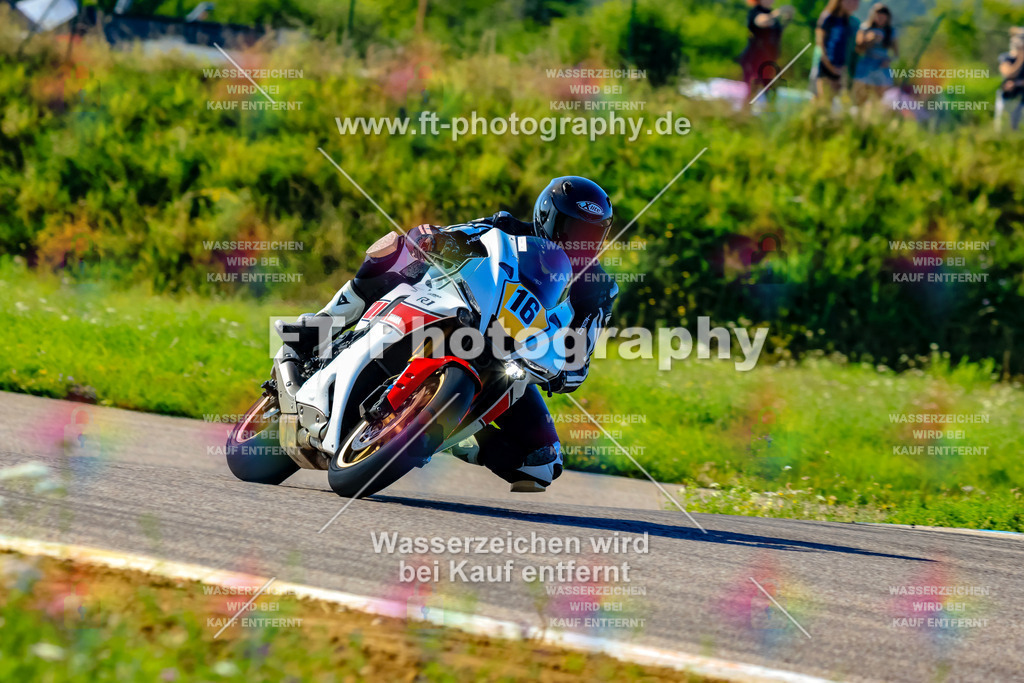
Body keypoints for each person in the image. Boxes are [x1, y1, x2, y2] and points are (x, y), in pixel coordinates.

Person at [290, 177, 618, 492]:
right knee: (397, 252)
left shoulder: (598, 290)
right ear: (547, 215)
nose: (581, 242)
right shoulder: (506, 227)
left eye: (591, 235)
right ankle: (324, 323)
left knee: (541, 463)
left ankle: (442, 431)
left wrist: (563, 373)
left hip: (511, 356)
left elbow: (581, 356)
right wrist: (435, 239)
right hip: (458, 307)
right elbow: (457, 235)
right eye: (574, 230)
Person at [738, 0, 796, 100]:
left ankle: (765, 114)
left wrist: (787, 18)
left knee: (770, 92)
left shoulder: (771, 14)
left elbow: (777, 33)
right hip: (754, 60)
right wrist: (778, 13)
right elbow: (761, 21)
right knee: (751, 91)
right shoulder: (755, 12)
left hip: (769, 60)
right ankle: (744, 113)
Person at [812, 0, 860, 102]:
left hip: (840, 65)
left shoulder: (848, 21)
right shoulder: (828, 17)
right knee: (822, 98)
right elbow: (820, 43)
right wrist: (829, 65)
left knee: (832, 99)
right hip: (825, 64)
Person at [853, 4, 898, 105]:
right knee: (861, 95)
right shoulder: (865, 28)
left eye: (883, 16)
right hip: (867, 65)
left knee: (880, 98)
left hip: (882, 66)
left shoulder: (891, 32)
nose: (880, 18)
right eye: (878, 15)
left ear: (887, 17)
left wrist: (889, 60)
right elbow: (858, 49)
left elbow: (896, 54)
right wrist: (868, 40)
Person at [996, 28, 1024, 132]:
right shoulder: (1005, 57)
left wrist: (1017, 83)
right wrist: (1021, 58)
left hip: (1022, 101)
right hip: (1006, 99)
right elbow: (1009, 73)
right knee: (1003, 130)